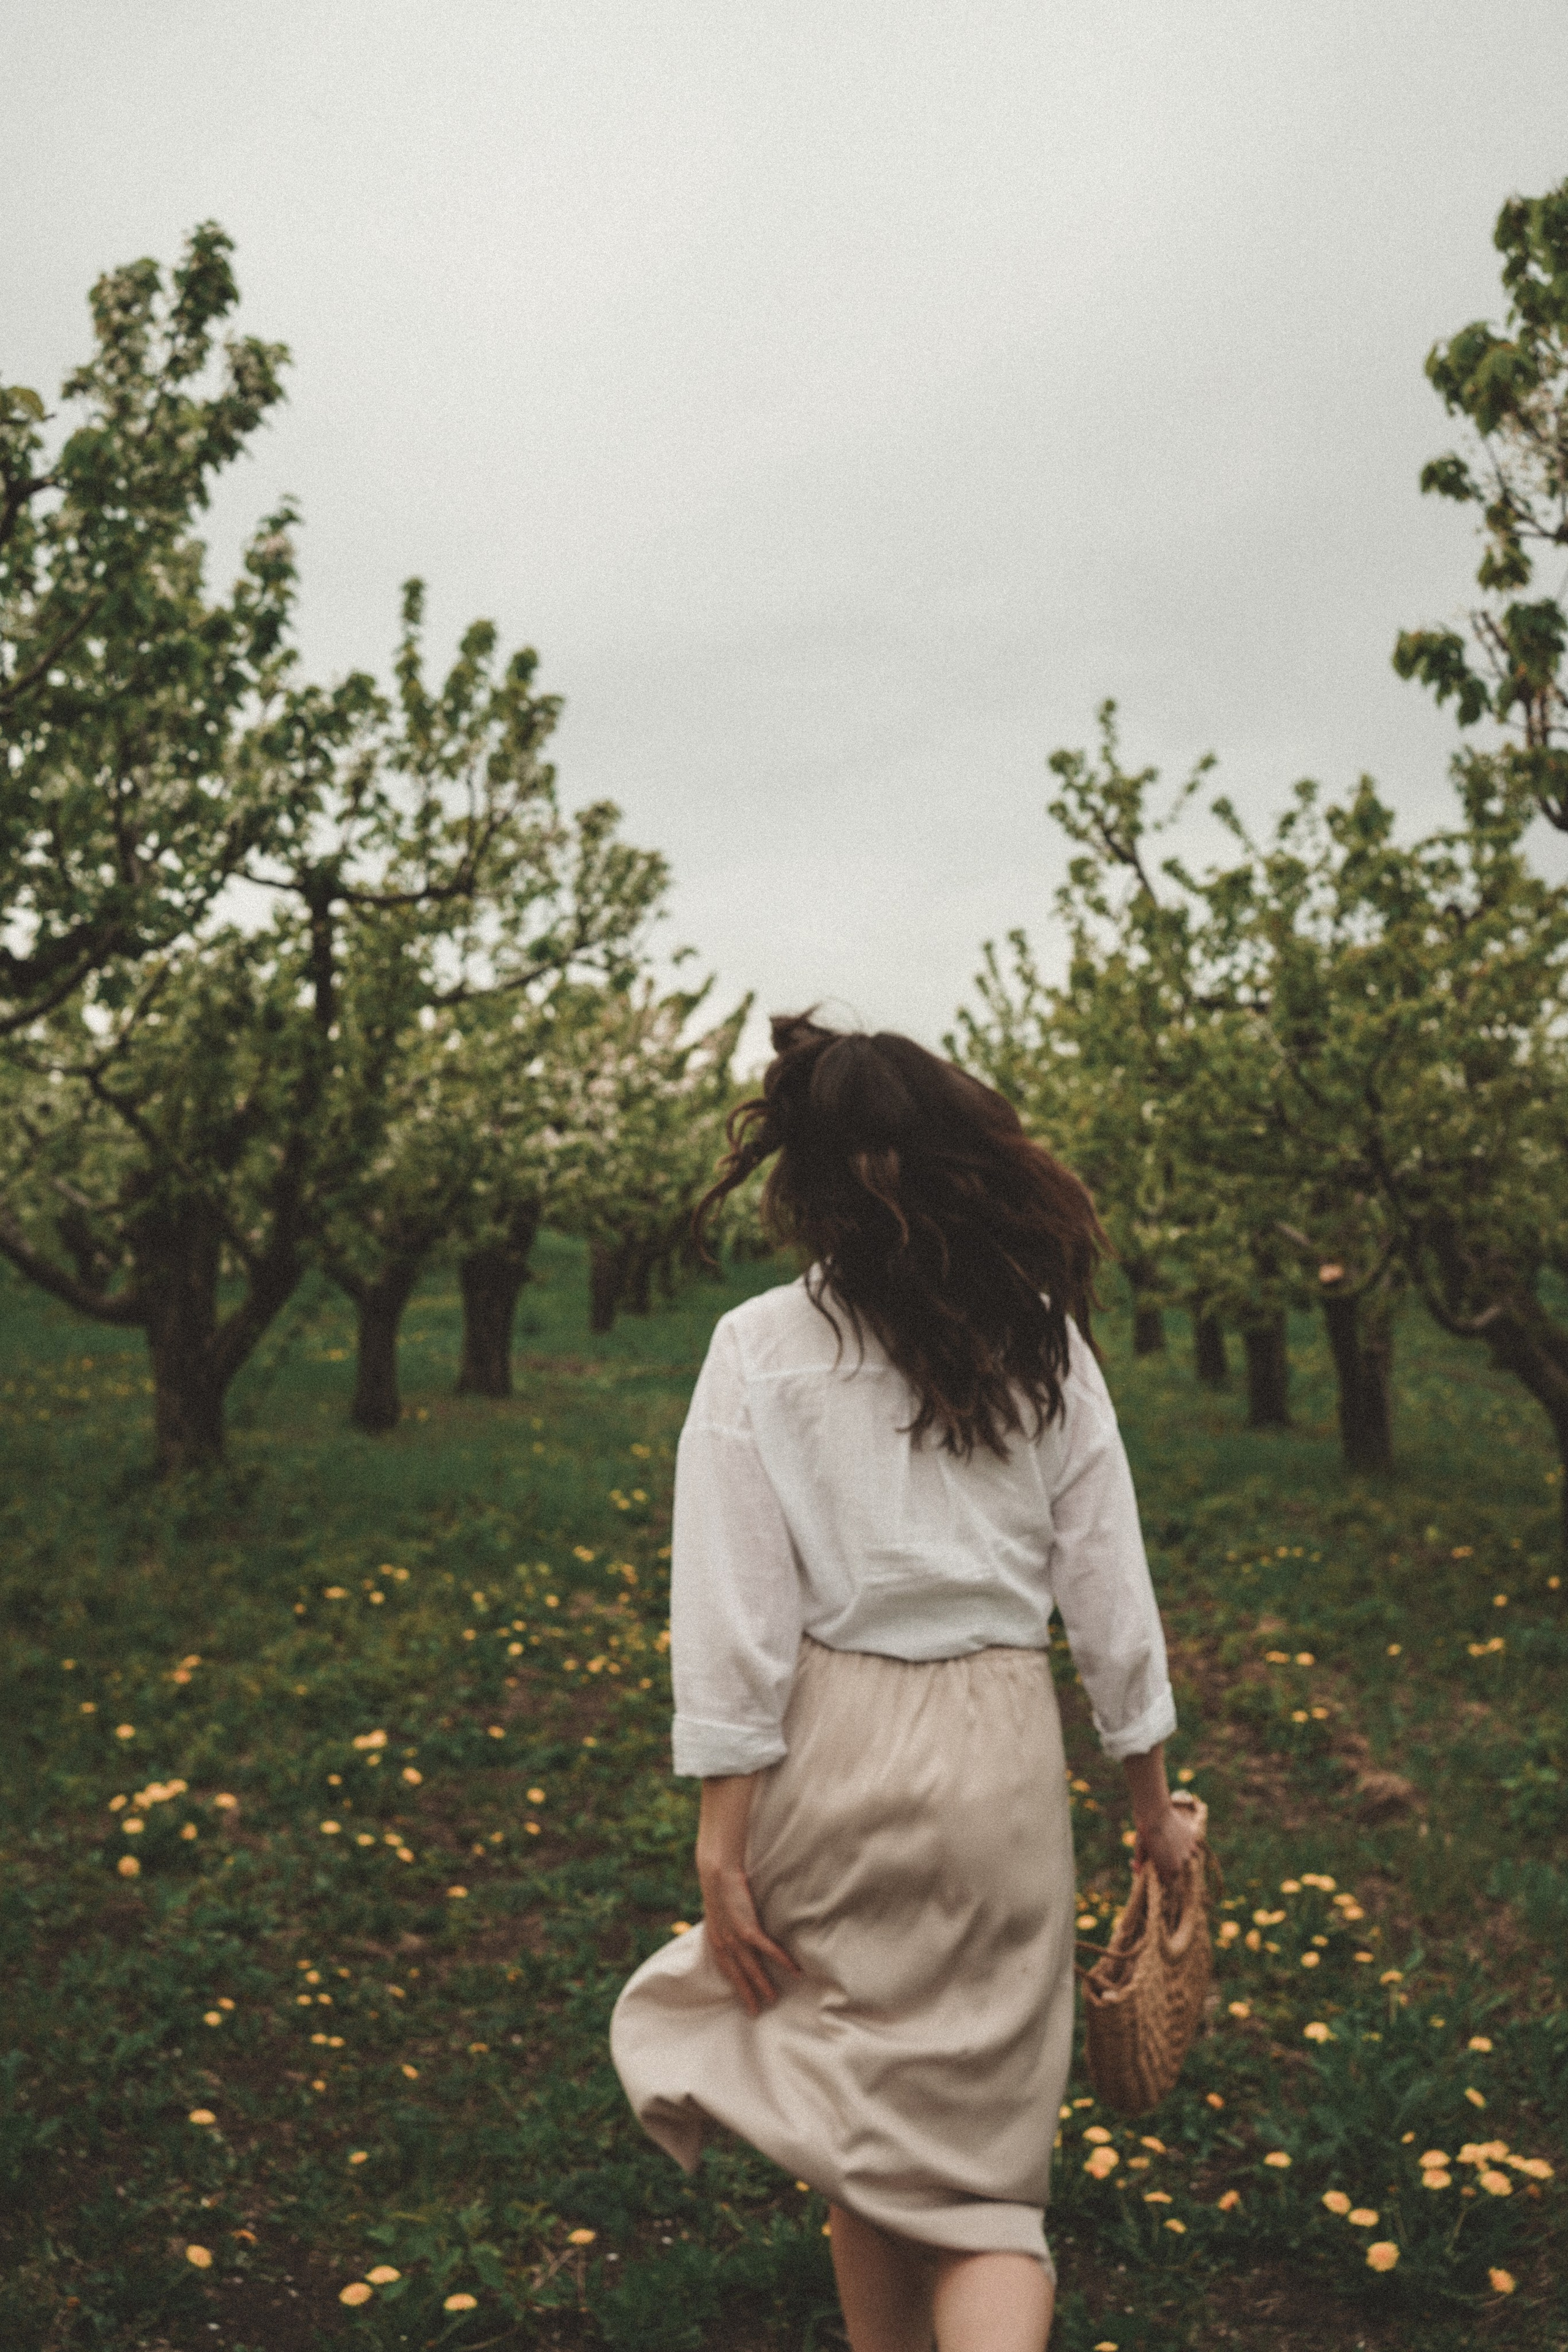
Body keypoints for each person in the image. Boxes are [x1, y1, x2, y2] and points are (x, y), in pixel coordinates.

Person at [611, 1014, 1202, 2352]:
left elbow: (731, 1615)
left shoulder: (757, 1348)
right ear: (966, 1158)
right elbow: (1109, 1594)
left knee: (860, 2130)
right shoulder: (1042, 1342)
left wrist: (722, 1843)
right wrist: (1147, 1800)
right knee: (987, 2193)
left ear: (799, 1179)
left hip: (831, 1755)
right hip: (995, 1757)